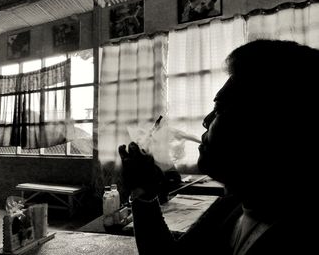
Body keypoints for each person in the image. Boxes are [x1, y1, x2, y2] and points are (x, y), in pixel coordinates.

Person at [118, 39, 319, 255]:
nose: (206, 120)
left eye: (220, 109)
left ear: (270, 122)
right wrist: (144, 196)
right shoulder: (232, 206)